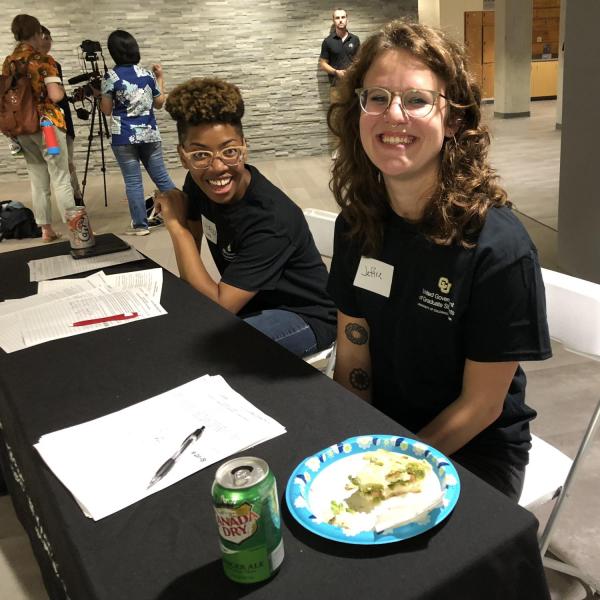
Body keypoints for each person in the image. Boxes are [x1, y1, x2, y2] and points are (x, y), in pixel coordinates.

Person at [326, 19, 552, 500]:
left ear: (452, 120)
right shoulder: (357, 224)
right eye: (377, 98)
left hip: (473, 449)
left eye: (416, 100)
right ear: (358, 113)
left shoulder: (497, 247)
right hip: (384, 429)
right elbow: (353, 352)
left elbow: (482, 406)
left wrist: (387, 473)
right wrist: (348, 443)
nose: (394, 116)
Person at [155, 77, 336, 357]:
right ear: (183, 157)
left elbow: (216, 304)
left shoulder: (271, 218)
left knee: (202, 353)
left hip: (306, 316)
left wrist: (176, 227)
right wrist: (185, 232)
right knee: (177, 331)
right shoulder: (197, 184)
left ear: (244, 146)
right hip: (248, 304)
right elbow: (191, 276)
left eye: (230, 152)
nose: (217, 168)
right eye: (200, 155)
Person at [2, 14, 77, 242]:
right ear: (37, 33)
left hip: (22, 129)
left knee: (37, 177)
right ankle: (76, 228)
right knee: (61, 176)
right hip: (47, 128)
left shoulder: (9, 62)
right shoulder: (43, 60)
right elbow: (55, 96)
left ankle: (46, 229)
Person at [100, 29, 175, 236]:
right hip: (150, 134)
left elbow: (106, 110)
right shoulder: (147, 74)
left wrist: (101, 95)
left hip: (123, 137)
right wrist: (160, 77)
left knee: (133, 182)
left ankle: (141, 226)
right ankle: (182, 214)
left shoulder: (110, 77)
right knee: (162, 177)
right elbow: (160, 104)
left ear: (113, 52)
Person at [39, 26, 83, 205]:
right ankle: (72, 209)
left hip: (62, 121)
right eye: (44, 37)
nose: (48, 41)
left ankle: (77, 198)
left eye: (50, 37)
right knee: (58, 169)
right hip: (47, 124)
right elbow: (56, 95)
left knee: (67, 163)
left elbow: (60, 96)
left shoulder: (54, 64)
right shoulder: (38, 66)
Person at [319, 8, 360, 105]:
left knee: (353, 117)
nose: (340, 20)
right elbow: (323, 63)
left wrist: (352, 70)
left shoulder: (355, 39)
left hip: (353, 85)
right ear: (333, 20)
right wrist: (336, 72)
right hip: (336, 87)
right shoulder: (328, 41)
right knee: (336, 117)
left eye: (343, 17)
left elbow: (360, 60)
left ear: (347, 19)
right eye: (337, 18)